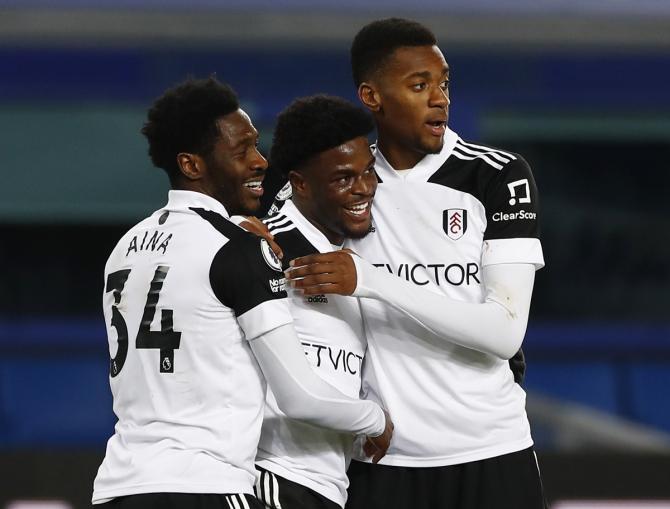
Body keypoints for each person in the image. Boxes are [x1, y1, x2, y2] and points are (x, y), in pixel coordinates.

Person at [91, 77, 392, 509]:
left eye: (256, 146)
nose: (260, 163)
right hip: (204, 484)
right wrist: (374, 419)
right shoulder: (239, 248)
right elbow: (299, 396)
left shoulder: (123, 249)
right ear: (192, 165)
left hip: (118, 487)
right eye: (242, 152)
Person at [284, 18, 547, 509]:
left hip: (492, 450)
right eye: (419, 85)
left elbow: (505, 332)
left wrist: (372, 281)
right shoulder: (345, 183)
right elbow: (265, 240)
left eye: (443, 83)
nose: (439, 98)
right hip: (384, 460)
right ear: (372, 96)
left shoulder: (497, 177)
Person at [251, 95, 384, 509]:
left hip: (329, 485)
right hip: (271, 477)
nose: (363, 189)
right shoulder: (261, 248)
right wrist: (375, 422)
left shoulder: (360, 257)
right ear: (301, 183)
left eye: (368, 172)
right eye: (343, 178)